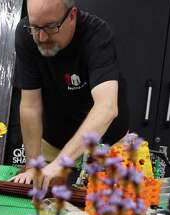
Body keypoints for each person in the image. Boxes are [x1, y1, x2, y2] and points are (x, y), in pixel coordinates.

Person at [10, 0, 130, 185]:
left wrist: (61, 163)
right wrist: (33, 165)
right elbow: (30, 105)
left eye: (51, 27)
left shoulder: (97, 34)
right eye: (35, 27)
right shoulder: (26, 34)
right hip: (53, 144)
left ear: (72, 15)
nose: (41, 37)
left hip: (105, 144)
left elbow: (106, 107)